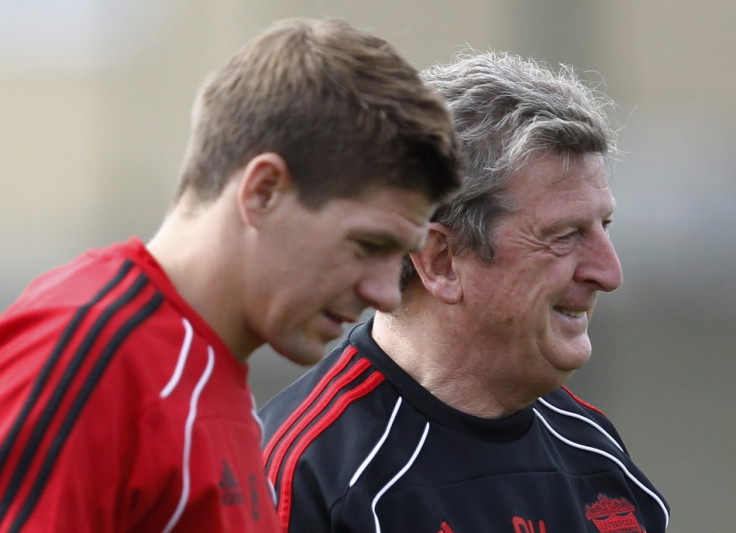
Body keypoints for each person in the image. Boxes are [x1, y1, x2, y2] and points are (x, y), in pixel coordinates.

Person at [0, 18, 462, 532]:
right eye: (368, 245)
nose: (383, 294)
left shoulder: (211, 372)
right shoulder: (93, 349)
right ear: (263, 190)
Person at [260, 51, 671, 532]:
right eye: (564, 235)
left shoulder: (599, 459)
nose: (609, 272)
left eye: (603, 226)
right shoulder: (306, 478)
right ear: (440, 260)